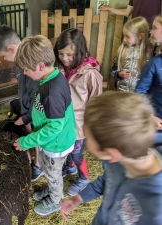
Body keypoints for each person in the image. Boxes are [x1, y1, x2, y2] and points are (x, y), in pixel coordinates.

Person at [60, 91, 162, 224]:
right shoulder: (122, 156)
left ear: (111, 154)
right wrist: (80, 197)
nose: (84, 140)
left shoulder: (155, 210)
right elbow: (110, 179)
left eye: (87, 137)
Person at [13, 35, 77, 216]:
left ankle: (56, 200)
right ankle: (52, 191)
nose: (24, 73)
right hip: (54, 139)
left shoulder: (51, 92)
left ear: (40, 66)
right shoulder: (51, 78)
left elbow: (54, 127)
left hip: (56, 144)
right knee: (50, 171)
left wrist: (27, 142)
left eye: (26, 70)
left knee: (52, 172)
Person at [0, 25, 43, 181]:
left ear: (12, 49)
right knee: (30, 133)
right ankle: (33, 159)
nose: (4, 60)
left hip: (36, 112)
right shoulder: (21, 63)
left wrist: (28, 115)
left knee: (36, 134)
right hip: (27, 110)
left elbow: (36, 95)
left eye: (3, 56)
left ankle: (39, 165)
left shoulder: (32, 64)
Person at [53, 28, 103, 196]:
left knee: (76, 152)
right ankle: (70, 168)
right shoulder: (60, 68)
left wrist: (91, 126)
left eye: (69, 55)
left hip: (79, 123)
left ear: (80, 52)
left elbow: (96, 102)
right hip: (64, 120)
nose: (65, 59)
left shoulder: (90, 74)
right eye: (61, 54)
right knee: (67, 147)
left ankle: (84, 178)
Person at [135, 14, 162, 145]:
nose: (151, 31)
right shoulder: (155, 63)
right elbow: (139, 92)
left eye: (155, 28)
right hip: (156, 125)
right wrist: (150, 117)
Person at [110, 17, 149, 92]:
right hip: (122, 94)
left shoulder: (149, 52)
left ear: (141, 36)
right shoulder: (122, 50)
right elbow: (112, 70)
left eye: (127, 36)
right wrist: (119, 74)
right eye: (124, 36)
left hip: (139, 96)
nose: (124, 39)